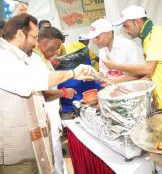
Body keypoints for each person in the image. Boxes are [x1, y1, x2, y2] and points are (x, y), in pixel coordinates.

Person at [0, 14, 95, 173]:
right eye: (34, 37)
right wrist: (73, 72)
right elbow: (36, 81)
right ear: (19, 34)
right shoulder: (3, 58)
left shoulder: (19, 57)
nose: (35, 42)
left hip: (32, 145)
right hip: (16, 153)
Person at [103, 5, 162, 110]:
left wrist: (116, 66)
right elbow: (149, 73)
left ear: (137, 22)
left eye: (126, 26)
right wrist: (119, 80)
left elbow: (148, 68)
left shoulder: (156, 33)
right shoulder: (146, 38)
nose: (125, 31)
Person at [30, 26, 76, 173]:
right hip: (45, 117)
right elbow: (43, 93)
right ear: (43, 41)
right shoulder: (34, 60)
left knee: (57, 155)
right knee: (53, 155)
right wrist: (64, 92)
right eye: (54, 47)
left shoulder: (43, 58)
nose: (56, 52)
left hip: (52, 114)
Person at [85, 18, 145, 82]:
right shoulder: (102, 49)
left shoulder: (127, 45)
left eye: (97, 37)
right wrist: (95, 75)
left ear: (109, 34)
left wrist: (120, 79)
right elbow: (104, 72)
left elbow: (142, 72)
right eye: (92, 38)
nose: (94, 41)